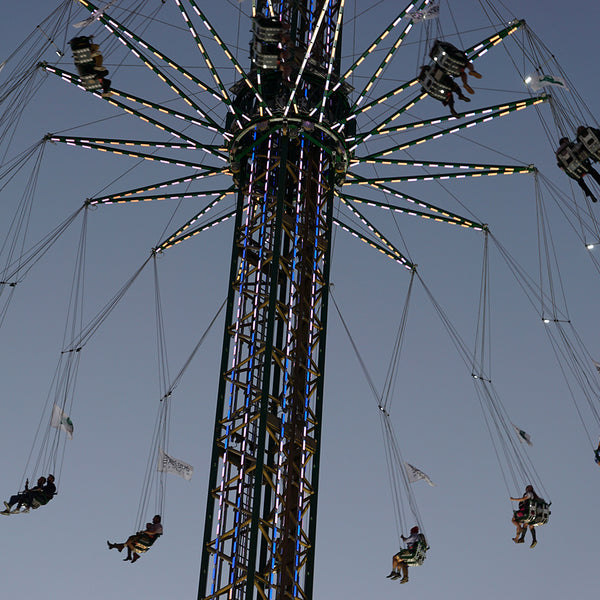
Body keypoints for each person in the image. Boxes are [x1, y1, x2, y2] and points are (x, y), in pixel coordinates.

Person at [556, 137, 600, 202]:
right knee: (592, 171)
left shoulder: (557, 153)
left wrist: (569, 171)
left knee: (579, 181)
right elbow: (577, 148)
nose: (568, 141)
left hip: (573, 170)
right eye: (567, 140)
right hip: (580, 163)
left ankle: (589, 194)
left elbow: (561, 166)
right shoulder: (568, 145)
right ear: (564, 141)